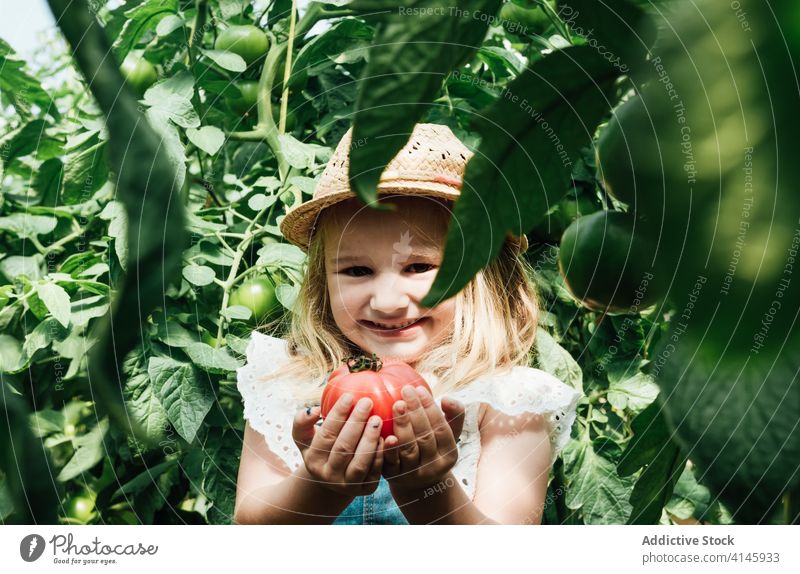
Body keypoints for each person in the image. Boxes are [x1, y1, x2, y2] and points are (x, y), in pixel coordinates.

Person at [234, 123, 582, 525]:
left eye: (419, 266)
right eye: (357, 270)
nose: (386, 300)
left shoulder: (504, 400)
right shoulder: (287, 384)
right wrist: (320, 487)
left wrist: (428, 492)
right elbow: (249, 529)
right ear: (321, 281)